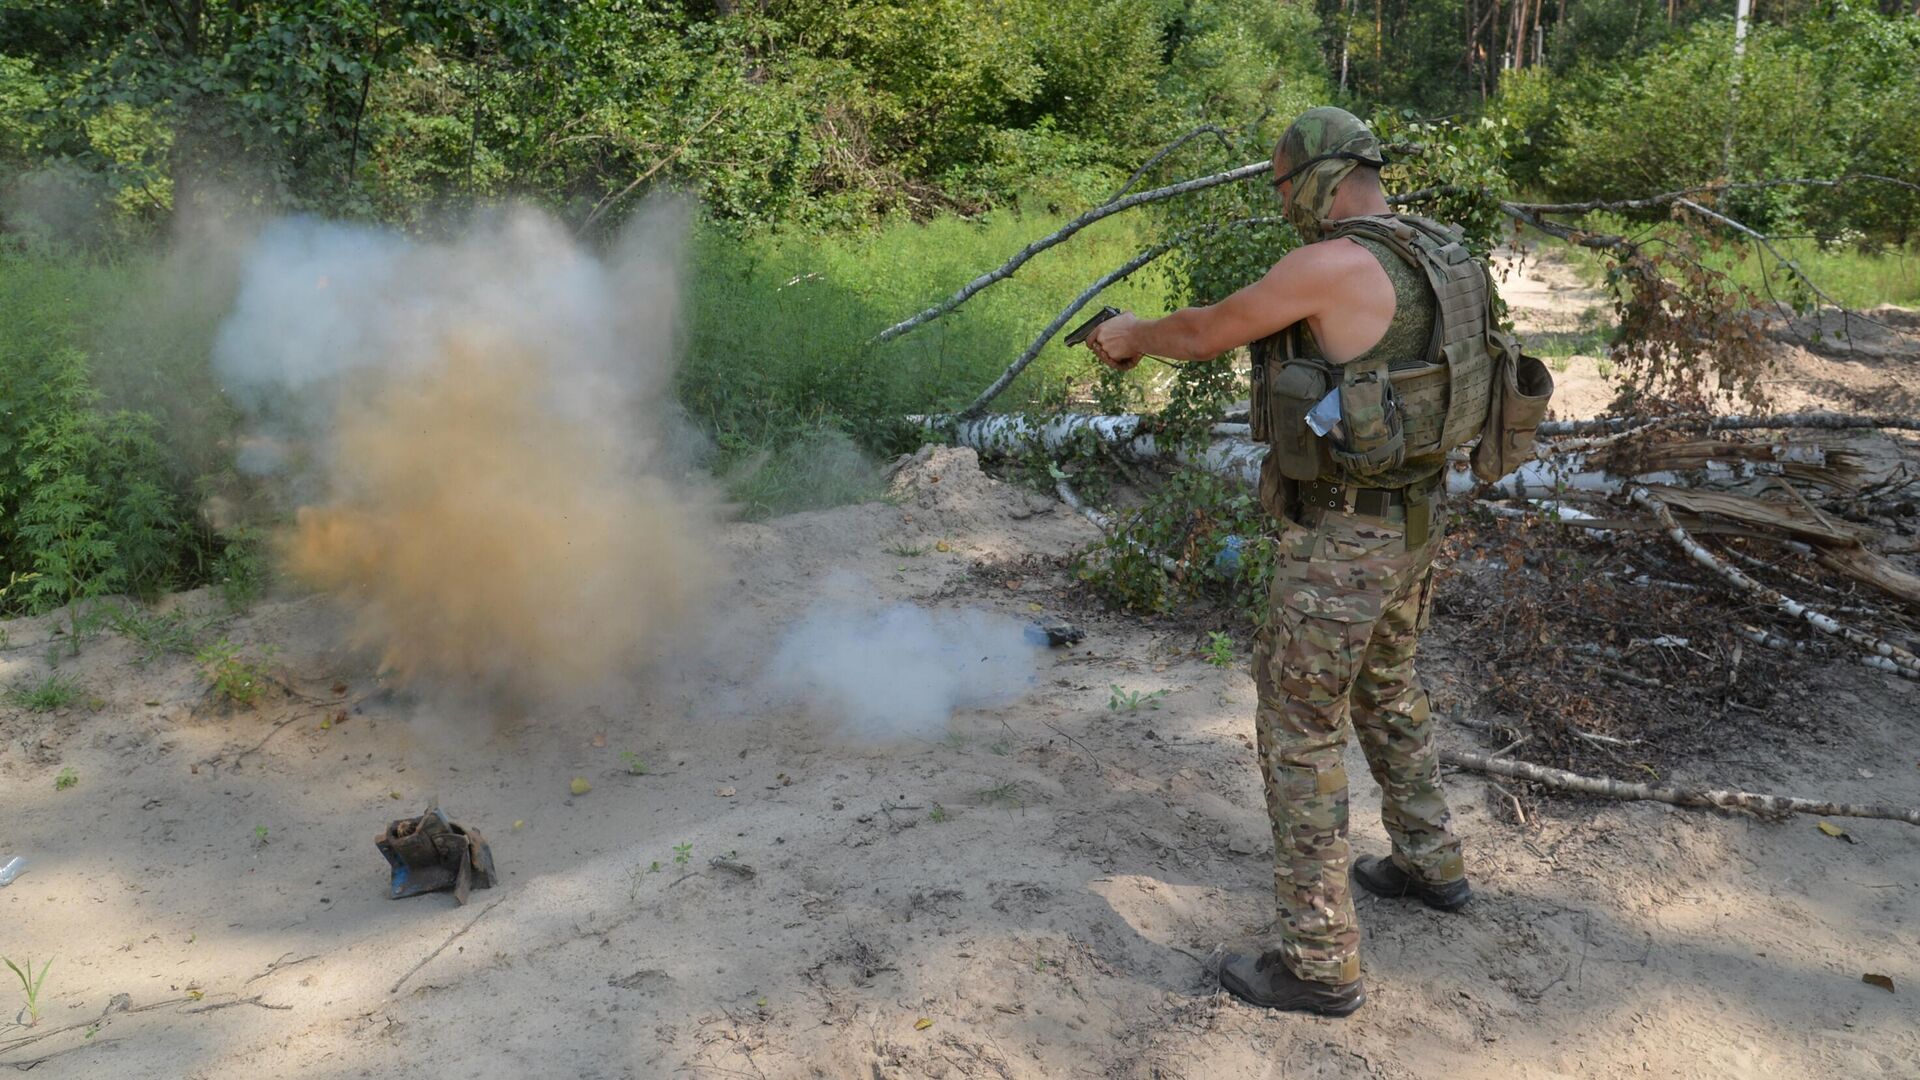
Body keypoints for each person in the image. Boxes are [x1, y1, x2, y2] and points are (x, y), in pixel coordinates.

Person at [1085, 106, 1491, 1017]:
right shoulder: (1442, 251)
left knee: (1299, 729)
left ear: (1318, 176)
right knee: (1388, 687)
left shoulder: (1334, 262)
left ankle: (1318, 962)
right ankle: (1432, 863)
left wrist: (1131, 335)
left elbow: (1200, 333)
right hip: (1418, 518)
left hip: (1347, 536)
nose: (1281, 207)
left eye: (1281, 186)